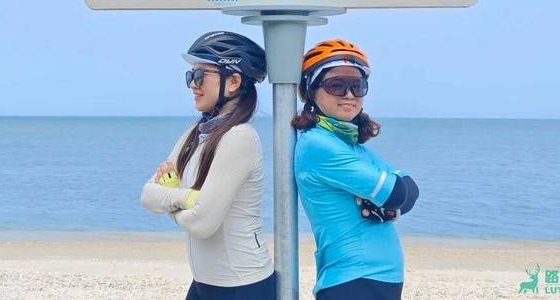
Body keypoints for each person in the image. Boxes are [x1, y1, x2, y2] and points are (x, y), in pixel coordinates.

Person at [140, 31, 276, 300]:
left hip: (243, 286)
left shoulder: (239, 137)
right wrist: (187, 198)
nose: (193, 84)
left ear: (234, 81)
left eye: (201, 75)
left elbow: (202, 224)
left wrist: (171, 198)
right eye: (191, 76)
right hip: (204, 284)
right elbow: (146, 195)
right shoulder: (196, 134)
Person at [293, 39, 419, 300]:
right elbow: (397, 193)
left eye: (357, 85)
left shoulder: (347, 143)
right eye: (336, 85)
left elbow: (411, 190)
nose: (349, 94)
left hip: (378, 278)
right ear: (310, 91)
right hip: (353, 279)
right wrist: (387, 202)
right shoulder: (318, 144)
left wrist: (385, 205)